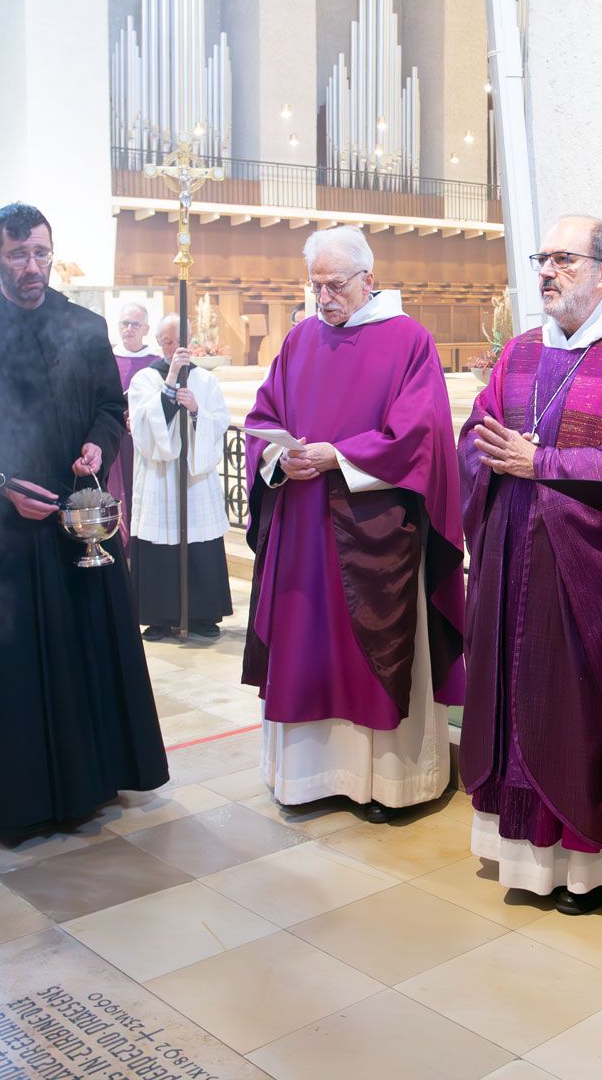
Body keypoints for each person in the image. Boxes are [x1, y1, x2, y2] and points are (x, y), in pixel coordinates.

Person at [457, 215, 602, 915]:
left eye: (563, 259)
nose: (546, 271)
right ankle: (524, 854)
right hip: (513, 565)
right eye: (543, 258)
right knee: (518, 700)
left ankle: (591, 867)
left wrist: (543, 464)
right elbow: (476, 434)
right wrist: (493, 458)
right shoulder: (520, 352)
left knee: (576, 709)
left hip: (587, 579)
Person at [0, 202, 167, 842]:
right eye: (18, 256)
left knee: (81, 653)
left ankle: (91, 781)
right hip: (0, 536)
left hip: (74, 526)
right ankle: (22, 796)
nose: (32, 267)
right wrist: (1, 485)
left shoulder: (83, 327)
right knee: (16, 669)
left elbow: (110, 407)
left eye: (40, 253)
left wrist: (98, 445)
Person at [242, 226, 465, 824]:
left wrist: (337, 456)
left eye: (335, 285)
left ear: (369, 279)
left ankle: (385, 784)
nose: (323, 298)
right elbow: (263, 415)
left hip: (374, 529)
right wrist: (278, 458)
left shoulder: (410, 341)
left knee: (372, 651)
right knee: (304, 644)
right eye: (315, 285)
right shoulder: (299, 340)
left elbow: (420, 434)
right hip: (302, 527)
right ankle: (307, 777)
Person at [127, 314, 233, 640]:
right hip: (160, 475)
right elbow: (144, 427)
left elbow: (220, 421)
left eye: (177, 341)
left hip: (194, 478)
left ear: (189, 341)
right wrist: (171, 385)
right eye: (166, 341)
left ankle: (202, 615)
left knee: (198, 540)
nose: (172, 348)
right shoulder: (145, 378)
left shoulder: (205, 380)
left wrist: (198, 411)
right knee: (160, 541)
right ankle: (158, 616)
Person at [109, 302, 160, 552]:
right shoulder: (109, 359)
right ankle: (120, 543)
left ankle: (143, 545)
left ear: (146, 329)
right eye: (125, 323)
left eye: (135, 324)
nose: (129, 328)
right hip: (116, 439)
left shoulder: (156, 363)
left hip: (147, 441)